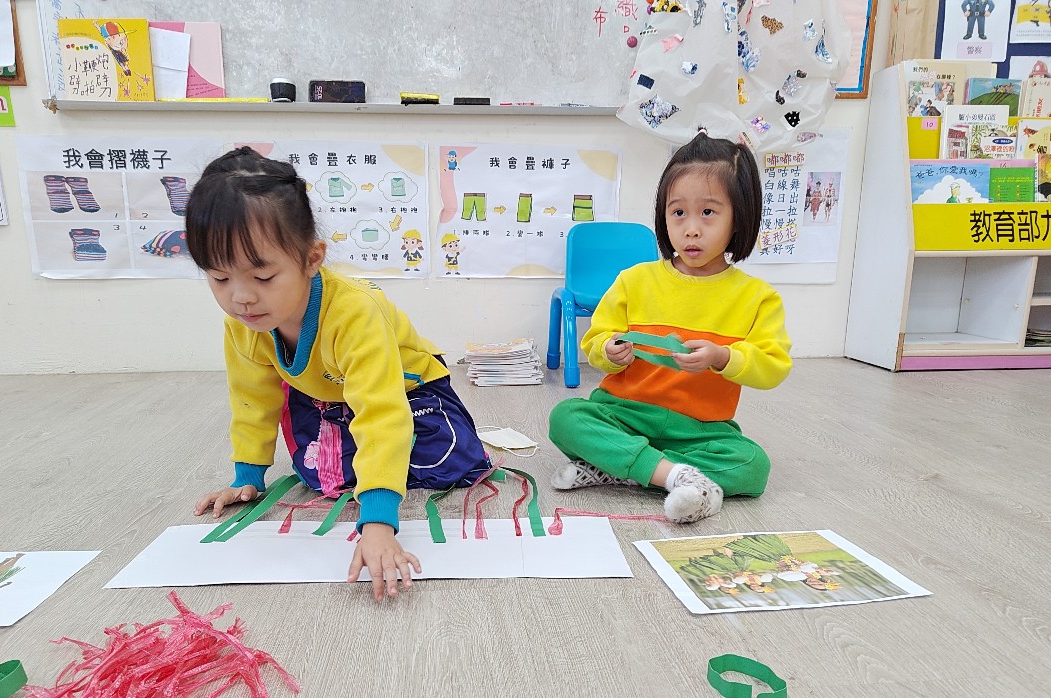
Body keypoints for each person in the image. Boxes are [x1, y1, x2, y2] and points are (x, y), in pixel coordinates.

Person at [186, 147, 491, 600]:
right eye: (219, 278)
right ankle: (367, 459)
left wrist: (379, 523)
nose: (241, 298)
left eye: (263, 277)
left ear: (312, 259)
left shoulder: (354, 312)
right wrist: (247, 475)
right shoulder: (242, 324)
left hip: (409, 388)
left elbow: (381, 411)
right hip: (326, 396)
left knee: (450, 462)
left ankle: (387, 464)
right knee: (322, 476)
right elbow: (252, 398)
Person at [547, 132, 792, 524]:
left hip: (699, 431)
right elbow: (596, 339)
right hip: (623, 414)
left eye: (708, 212)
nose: (691, 229)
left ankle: (625, 467)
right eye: (678, 213)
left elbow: (773, 365)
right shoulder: (634, 280)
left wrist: (723, 357)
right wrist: (608, 349)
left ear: (739, 217)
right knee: (566, 417)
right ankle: (678, 477)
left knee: (753, 465)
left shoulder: (757, 297)